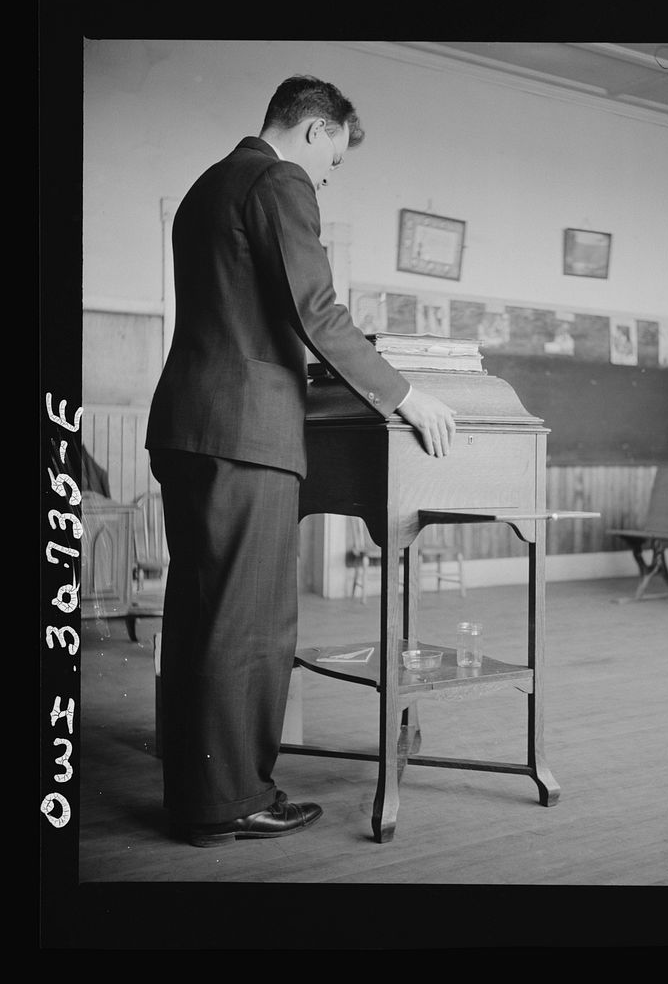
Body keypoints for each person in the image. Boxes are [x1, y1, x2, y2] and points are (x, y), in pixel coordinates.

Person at [145, 75, 457, 847]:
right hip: (245, 436)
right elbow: (316, 308)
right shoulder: (279, 178)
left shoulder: (207, 187)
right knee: (249, 625)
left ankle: (197, 790)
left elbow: (247, 313)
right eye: (335, 162)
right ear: (315, 131)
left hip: (189, 425)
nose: (326, 177)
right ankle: (232, 799)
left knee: (198, 617)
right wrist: (403, 395)